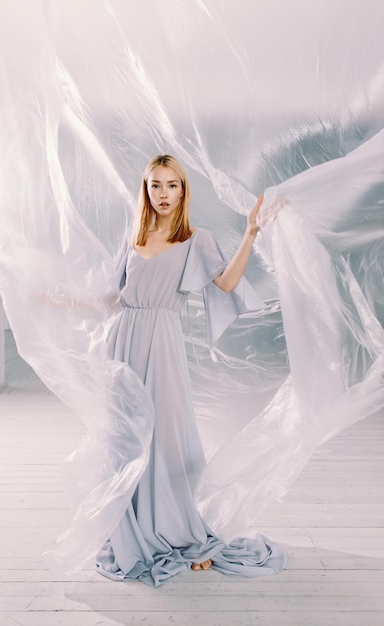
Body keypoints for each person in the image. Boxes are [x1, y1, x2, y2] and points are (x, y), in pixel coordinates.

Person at [94, 155, 287, 586]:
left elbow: (226, 283)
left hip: (161, 343)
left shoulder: (196, 239)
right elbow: (111, 298)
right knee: (127, 438)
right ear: (145, 190)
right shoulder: (133, 236)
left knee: (169, 435)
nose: (163, 194)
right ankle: (136, 526)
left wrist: (251, 232)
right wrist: (56, 298)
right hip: (123, 344)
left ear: (184, 190)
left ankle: (184, 531)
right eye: (155, 186)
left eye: (172, 186)